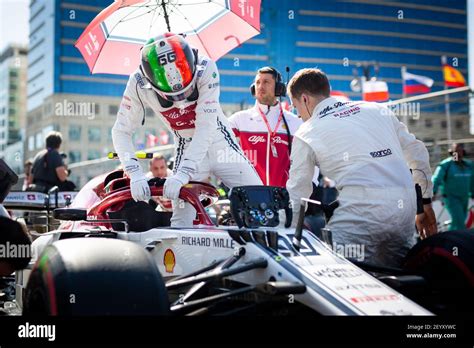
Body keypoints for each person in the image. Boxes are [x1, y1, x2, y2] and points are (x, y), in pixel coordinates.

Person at [285, 68, 437, 267]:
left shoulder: (306, 132)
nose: (298, 115)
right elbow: (417, 152)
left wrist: (286, 231)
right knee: (401, 282)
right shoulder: (377, 109)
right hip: (404, 211)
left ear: (304, 99)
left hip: (360, 217)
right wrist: (424, 203)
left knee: (339, 280)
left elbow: (298, 189)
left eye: (296, 108)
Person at [112, 33, 262, 227]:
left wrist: (182, 174)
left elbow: (205, 128)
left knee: (260, 204)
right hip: (186, 143)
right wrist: (135, 172)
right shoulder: (138, 83)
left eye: (186, 92)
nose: (180, 101)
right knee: (181, 222)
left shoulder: (206, 68)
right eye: (171, 96)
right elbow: (121, 130)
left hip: (220, 142)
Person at [228, 67, 301, 187]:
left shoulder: (294, 122)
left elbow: (309, 158)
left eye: (266, 82)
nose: (260, 86)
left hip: (283, 196)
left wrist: (311, 184)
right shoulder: (240, 119)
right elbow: (215, 135)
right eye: (257, 82)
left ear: (279, 88)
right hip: (249, 195)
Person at [432, 143, 474, 231]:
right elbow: (436, 179)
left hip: (464, 198)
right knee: (459, 222)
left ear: (463, 152)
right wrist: (432, 192)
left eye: (460, 151)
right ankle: (455, 241)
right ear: (452, 153)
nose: (458, 153)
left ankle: (451, 239)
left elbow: (472, 181)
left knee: (459, 222)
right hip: (451, 198)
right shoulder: (446, 165)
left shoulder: (469, 165)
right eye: (456, 151)